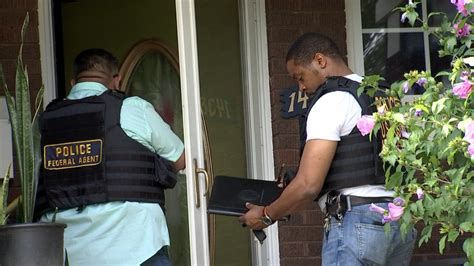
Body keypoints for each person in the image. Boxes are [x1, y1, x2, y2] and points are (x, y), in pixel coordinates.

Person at [239, 33, 417, 265]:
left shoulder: (332, 100)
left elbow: (308, 185)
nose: (301, 87)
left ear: (320, 61)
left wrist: (266, 215)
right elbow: (372, 161)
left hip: (357, 222)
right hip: (399, 224)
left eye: (300, 77)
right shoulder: (382, 97)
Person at [35, 48, 185, 265]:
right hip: (137, 245)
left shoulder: (46, 121)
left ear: (72, 82)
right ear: (117, 80)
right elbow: (179, 159)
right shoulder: (131, 108)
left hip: (70, 251)